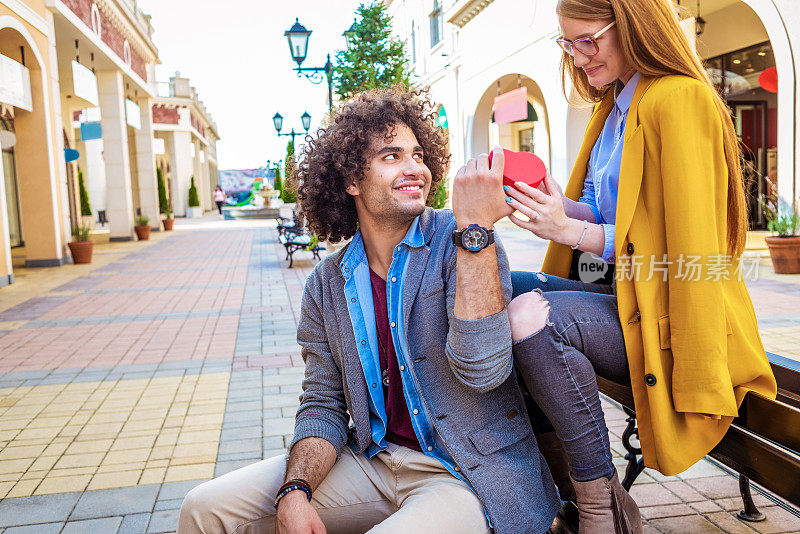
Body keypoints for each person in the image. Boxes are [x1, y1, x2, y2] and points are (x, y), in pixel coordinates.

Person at [178, 86, 560, 534]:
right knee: (203, 508)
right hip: (374, 461)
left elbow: (484, 369)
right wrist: (294, 492)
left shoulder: (461, 241)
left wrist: (475, 227)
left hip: (466, 473)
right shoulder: (327, 284)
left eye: (418, 155)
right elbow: (323, 403)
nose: (414, 167)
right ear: (351, 180)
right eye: (391, 156)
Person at [503, 0, 778, 532]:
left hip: (676, 313)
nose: (579, 57)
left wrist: (573, 233)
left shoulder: (680, 100)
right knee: (504, 287)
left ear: (632, 25)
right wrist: (562, 214)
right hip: (624, 299)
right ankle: (559, 493)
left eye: (589, 40)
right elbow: (619, 217)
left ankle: (599, 508)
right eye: (568, 43)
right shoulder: (614, 109)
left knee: (532, 321)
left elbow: (690, 250)